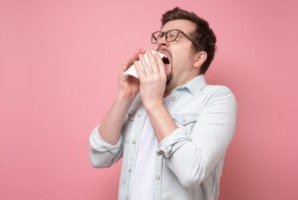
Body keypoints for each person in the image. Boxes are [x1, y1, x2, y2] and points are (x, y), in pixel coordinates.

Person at [89, 7, 237, 200]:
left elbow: (191, 173)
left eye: (174, 36)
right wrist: (124, 96)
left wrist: (153, 102)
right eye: (160, 36)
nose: (161, 42)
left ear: (198, 58)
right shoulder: (140, 98)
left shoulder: (216, 98)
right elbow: (99, 158)